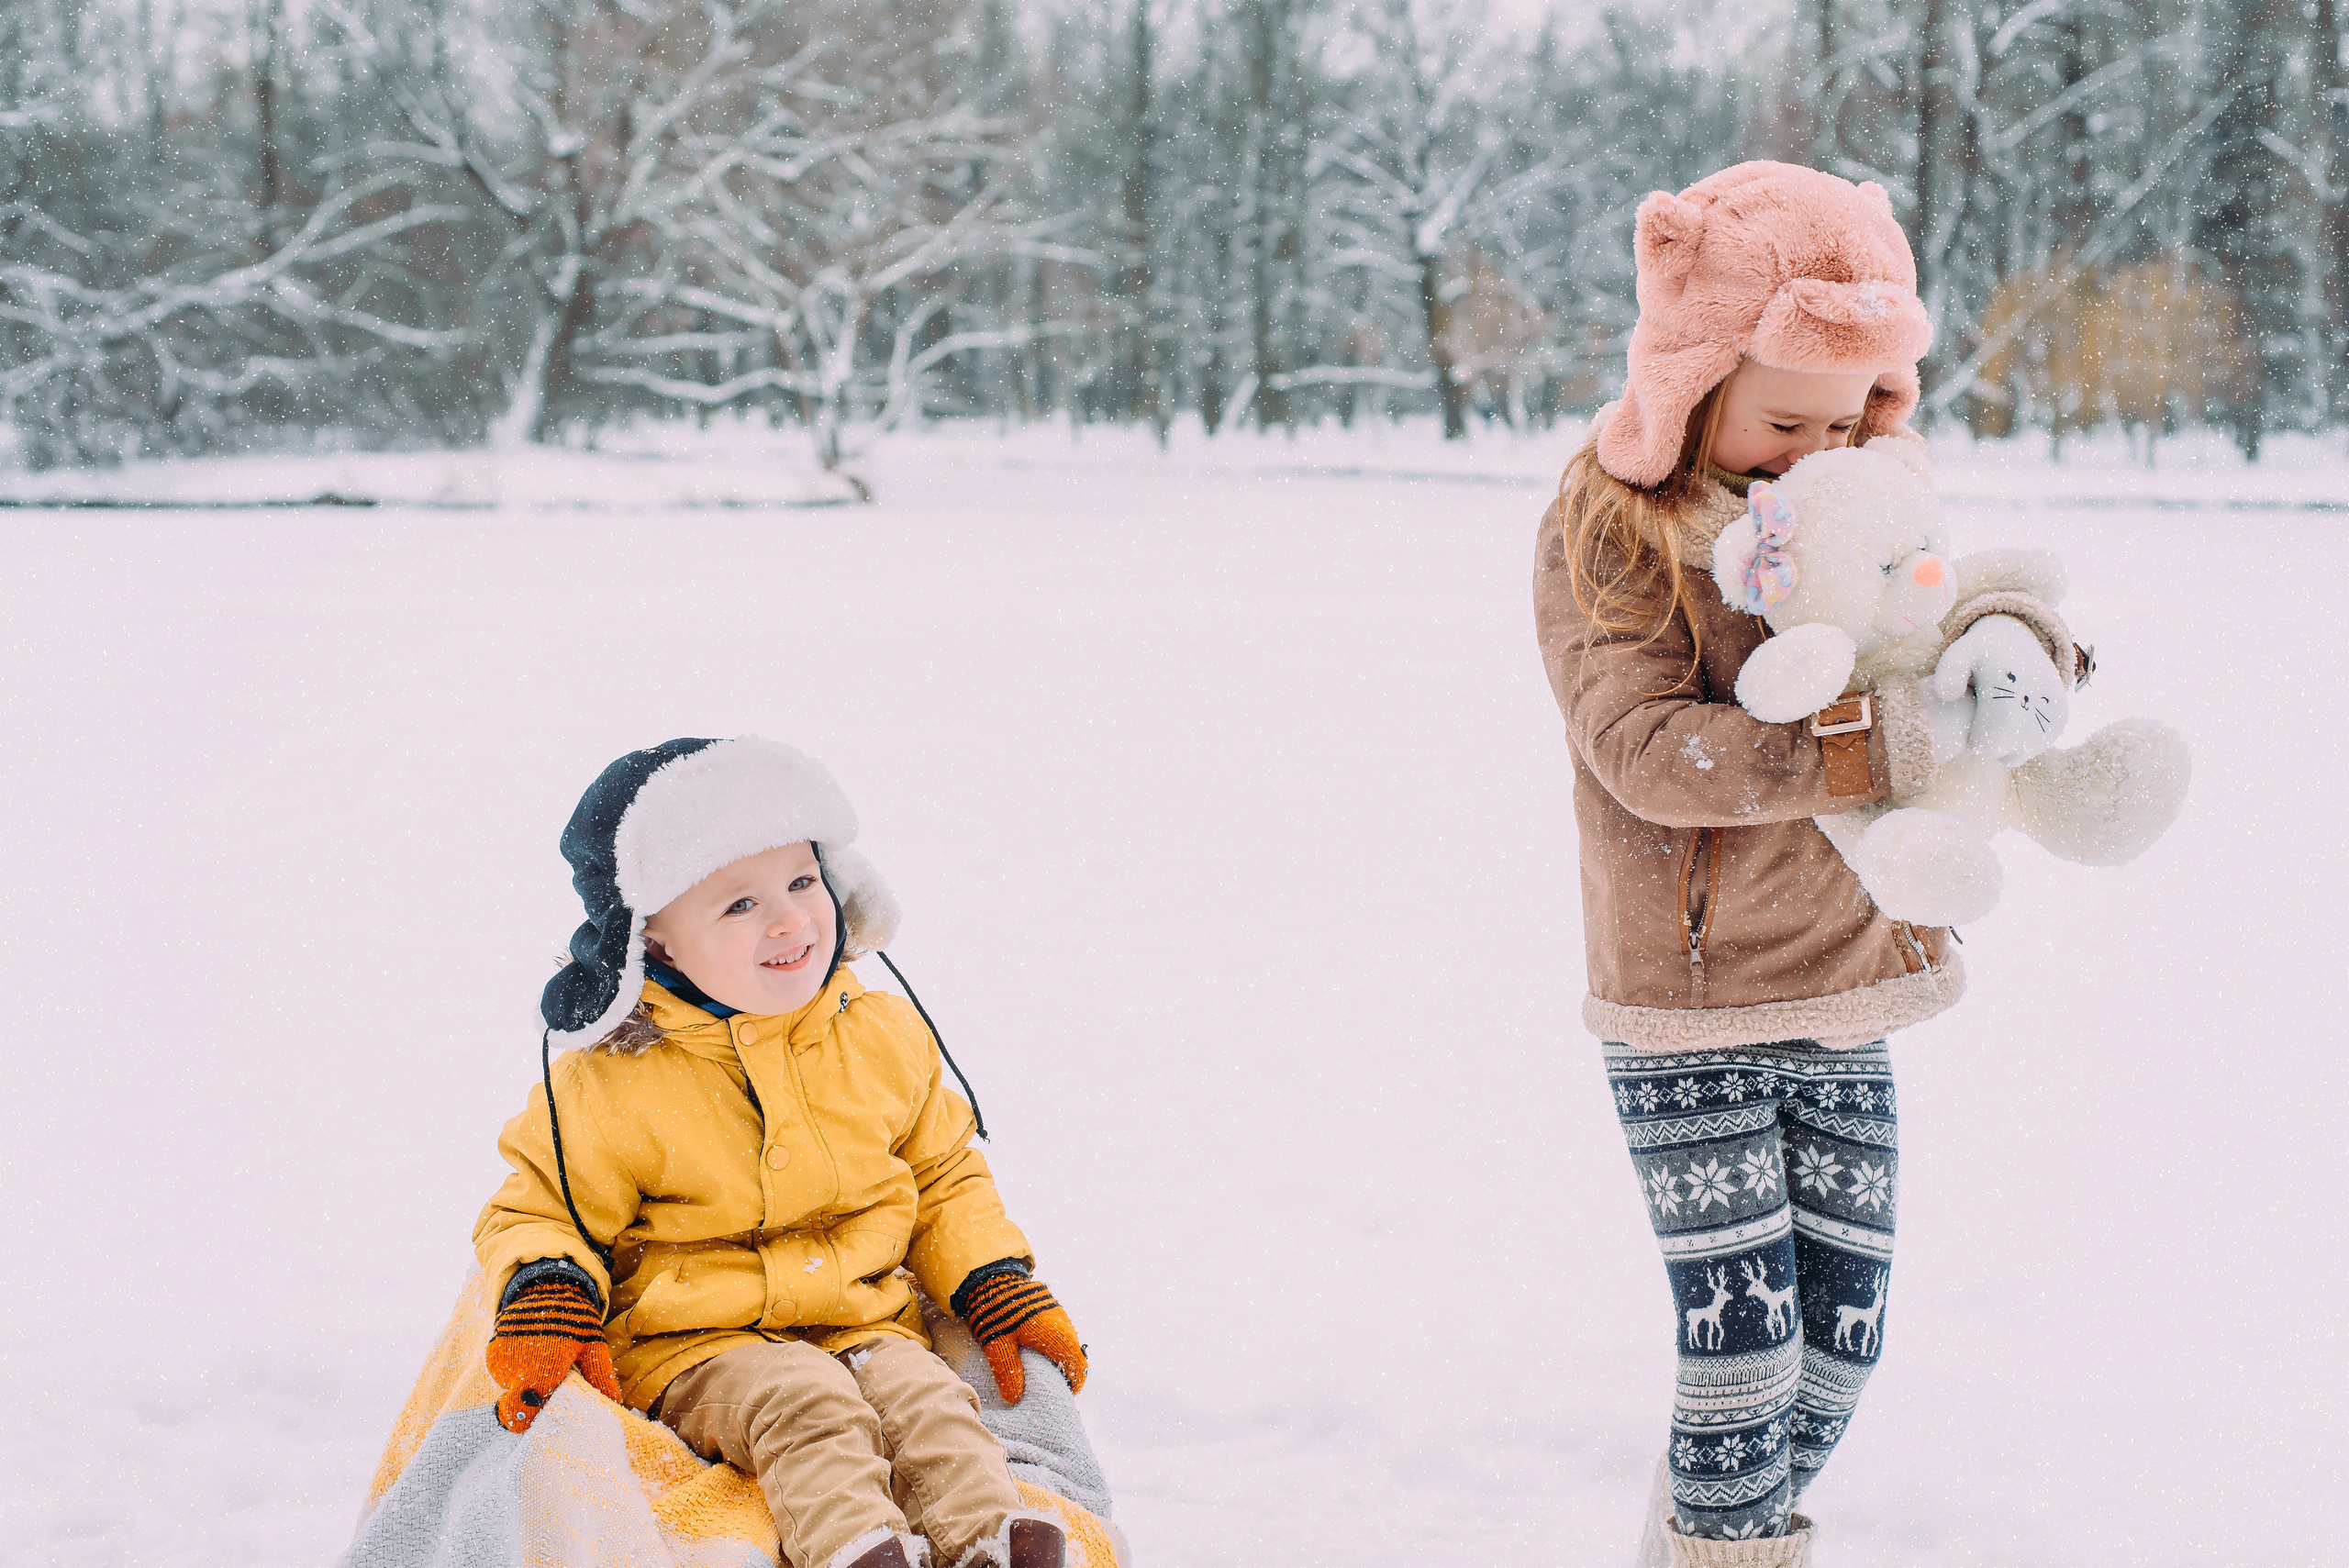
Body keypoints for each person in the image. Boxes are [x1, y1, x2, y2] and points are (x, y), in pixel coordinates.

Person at [1531, 162, 2083, 1565]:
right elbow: (1644, 747)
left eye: (1849, 418)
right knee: (1745, 1353)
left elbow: (1949, 614)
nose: (1816, 450)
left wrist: (2022, 649)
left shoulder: (1868, 489)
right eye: (1783, 419)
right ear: (1694, 378)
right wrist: (1868, 743)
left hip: (1847, 981)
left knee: (1841, 1339)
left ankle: (1699, 1537)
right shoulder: (1616, 523)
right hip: (1690, 999)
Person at [474, 736, 1084, 1568]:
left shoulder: (880, 1037)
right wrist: (550, 1283)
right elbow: (544, 1204)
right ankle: (857, 1550)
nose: (793, 919)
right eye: (739, 905)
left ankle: (991, 1541)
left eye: (802, 881)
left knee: (930, 1400)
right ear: (654, 941)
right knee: (807, 1403)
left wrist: (991, 1276)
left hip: (868, 1318)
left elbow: (944, 1173)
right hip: (697, 1343)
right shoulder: (613, 1083)